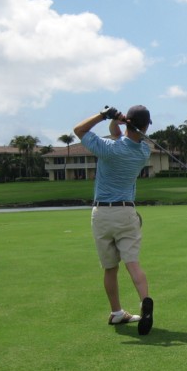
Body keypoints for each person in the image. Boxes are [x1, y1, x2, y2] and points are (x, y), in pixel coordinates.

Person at [73, 105, 154, 335]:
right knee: (133, 264)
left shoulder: (108, 148)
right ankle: (144, 301)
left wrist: (104, 115)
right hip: (127, 213)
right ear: (147, 126)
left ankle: (117, 312)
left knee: (110, 268)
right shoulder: (144, 152)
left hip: (102, 214)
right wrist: (117, 123)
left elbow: (79, 130)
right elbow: (123, 138)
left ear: (127, 123)